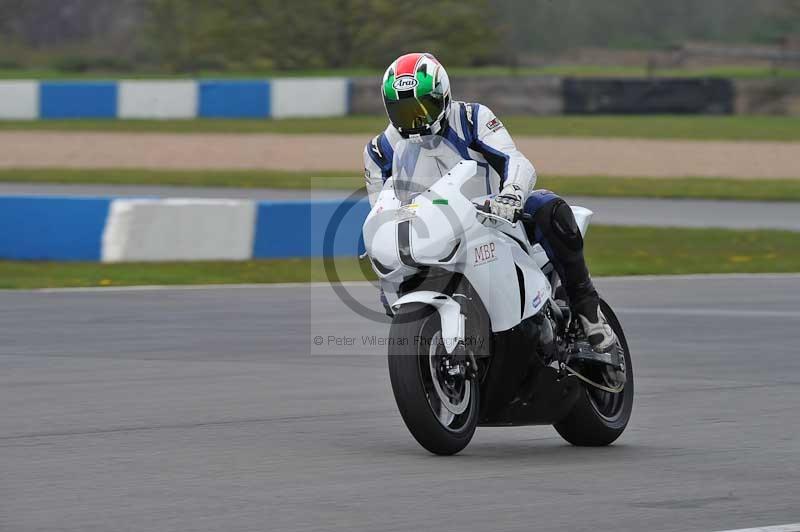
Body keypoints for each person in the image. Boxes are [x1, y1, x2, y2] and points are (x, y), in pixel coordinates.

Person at [363, 52, 616, 353]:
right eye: (403, 111)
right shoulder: (380, 151)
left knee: (551, 208)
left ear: (443, 96)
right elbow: (382, 211)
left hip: (492, 216)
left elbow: (515, 160)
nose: (416, 120)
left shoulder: (471, 118)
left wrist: (511, 194)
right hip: (432, 233)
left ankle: (588, 310)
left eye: (424, 107)